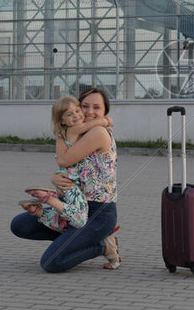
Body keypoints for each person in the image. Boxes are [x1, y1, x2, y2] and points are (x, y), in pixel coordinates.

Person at [10, 87, 121, 272]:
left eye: (97, 107)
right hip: (71, 208)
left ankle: (102, 246)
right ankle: (74, 241)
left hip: (98, 214)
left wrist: (62, 133)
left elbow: (63, 160)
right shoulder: (76, 134)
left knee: (50, 262)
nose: (89, 112)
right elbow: (65, 167)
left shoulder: (98, 132)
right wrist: (54, 177)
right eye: (84, 106)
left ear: (105, 112)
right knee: (19, 225)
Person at [18, 95, 112, 232]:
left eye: (77, 111)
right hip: (70, 184)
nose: (76, 115)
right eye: (69, 114)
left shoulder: (65, 134)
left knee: (64, 222)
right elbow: (88, 125)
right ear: (62, 121)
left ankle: (38, 212)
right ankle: (49, 199)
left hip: (66, 182)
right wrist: (103, 121)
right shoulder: (73, 130)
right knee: (79, 220)